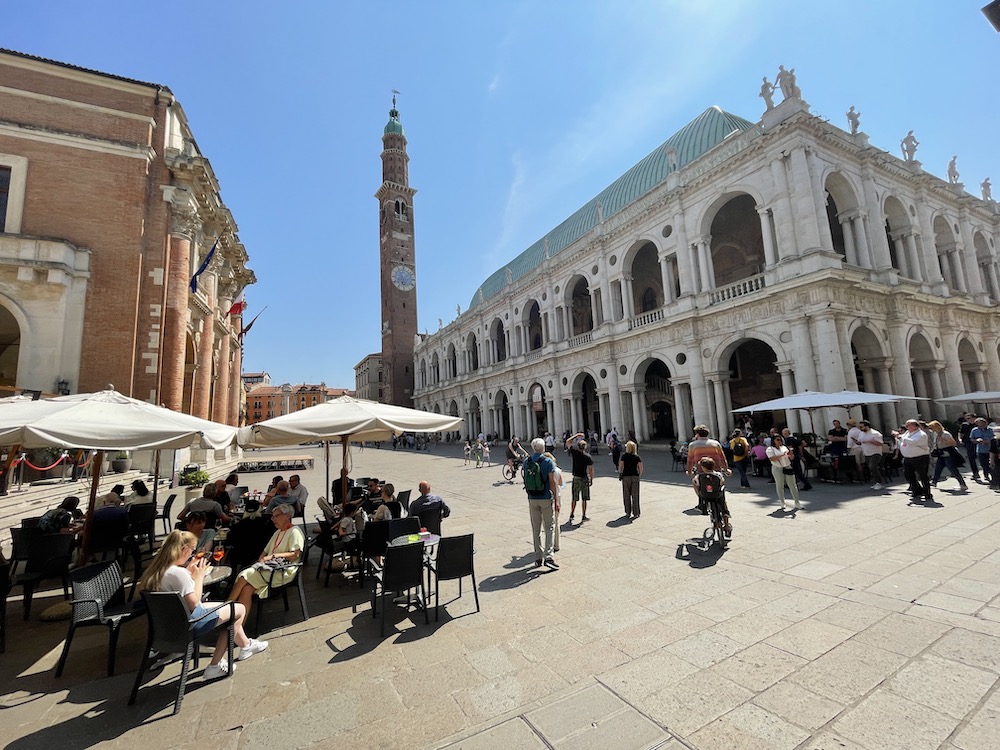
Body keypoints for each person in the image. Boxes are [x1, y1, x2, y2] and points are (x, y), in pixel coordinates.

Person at [138, 530, 266, 680]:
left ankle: (246, 645)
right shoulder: (178, 574)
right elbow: (195, 604)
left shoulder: (155, 572)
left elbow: (177, 594)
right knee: (238, 609)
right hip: (190, 625)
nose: (192, 554)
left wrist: (187, 572)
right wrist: (198, 577)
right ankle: (215, 665)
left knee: (227, 606)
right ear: (184, 549)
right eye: (192, 550)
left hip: (167, 628)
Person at [227, 504, 304, 622]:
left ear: (287, 516)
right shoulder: (278, 532)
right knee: (246, 589)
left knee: (244, 575)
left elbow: (295, 555)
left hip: (282, 571)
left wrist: (273, 556)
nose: (273, 520)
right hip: (269, 569)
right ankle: (237, 627)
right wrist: (261, 561)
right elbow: (264, 552)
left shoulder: (294, 531)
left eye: (276, 516)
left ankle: (226, 608)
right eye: (272, 517)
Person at [524, 438, 559, 569]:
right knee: (549, 526)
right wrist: (556, 499)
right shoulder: (548, 461)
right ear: (543, 448)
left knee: (536, 528)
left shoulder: (526, 461)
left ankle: (538, 556)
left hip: (532, 497)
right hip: (545, 497)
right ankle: (548, 556)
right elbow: (552, 483)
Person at [686, 425, 729, 510]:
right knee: (720, 485)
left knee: (696, 483)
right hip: (716, 470)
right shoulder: (715, 443)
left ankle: (702, 500)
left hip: (701, 471)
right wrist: (726, 469)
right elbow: (722, 458)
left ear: (697, 434)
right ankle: (724, 507)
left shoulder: (693, 445)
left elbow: (690, 461)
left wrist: (689, 471)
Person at [693, 456, 732, 537]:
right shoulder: (718, 475)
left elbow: (695, 483)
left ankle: (701, 503)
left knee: (698, 487)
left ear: (703, 467)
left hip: (705, 495)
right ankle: (727, 525)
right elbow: (722, 483)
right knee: (723, 506)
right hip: (717, 495)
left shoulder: (699, 476)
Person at [896, 419, 932, 502]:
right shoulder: (907, 433)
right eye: (906, 425)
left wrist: (901, 437)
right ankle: (917, 490)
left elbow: (914, 442)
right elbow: (902, 440)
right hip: (908, 457)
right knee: (908, 474)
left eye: (909, 425)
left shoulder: (921, 434)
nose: (907, 427)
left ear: (915, 426)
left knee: (923, 476)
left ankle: (927, 493)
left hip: (920, 457)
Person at [927, 420, 967, 491]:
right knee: (938, 468)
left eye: (932, 428)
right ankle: (934, 482)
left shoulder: (945, 434)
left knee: (953, 469)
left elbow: (953, 443)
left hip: (947, 453)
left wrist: (943, 440)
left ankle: (963, 484)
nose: (931, 430)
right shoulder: (936, 434)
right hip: (941, 453)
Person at [766, 435, 801, 511]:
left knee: (792, 485)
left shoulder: (784, 448)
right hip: (777, 468)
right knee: (780, 485)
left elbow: (791, 457)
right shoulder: (770, 449)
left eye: (780, 440)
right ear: (773, 441)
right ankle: (782, 502)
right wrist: (782, 454)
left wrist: (791, 454)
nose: (779, 441)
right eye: (777, 440)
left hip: (787, 466)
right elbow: (771, 458)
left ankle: (797, 502)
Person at [565, 432, 594, 523]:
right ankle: (584, 515)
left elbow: (568, 442)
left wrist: (576, 435)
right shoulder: (588, 457)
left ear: (578, 446)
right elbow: (591, 470)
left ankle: (572, 513)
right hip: (584, 478)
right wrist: (591, 479)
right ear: (585, 447)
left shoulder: (574, 452)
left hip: (576, 477)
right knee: (584, 498)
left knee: (574, 497)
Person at [542, 452, 564, 552]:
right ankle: (556, 544)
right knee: (556, 521)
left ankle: (548, 544)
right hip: (558, 497)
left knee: (547, 523)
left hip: (546, 496)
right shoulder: (558, 470)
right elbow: (560, 483)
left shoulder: (543, 470)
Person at [857, 420, 887, 491]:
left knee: (873, 467)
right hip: (866, 453)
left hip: (875, 453)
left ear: (866, 426)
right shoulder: (861, 434)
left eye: (861, 427)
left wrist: (870, 441)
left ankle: (879, 482)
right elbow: (860, 442)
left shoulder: (875, 433)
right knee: (871, 468)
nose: (860, 428)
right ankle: (876, 482)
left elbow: (880, 443)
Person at [618, 440, 643, 519]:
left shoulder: (624, 456)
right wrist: (639, 474)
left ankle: (628, 512)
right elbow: (641, 467)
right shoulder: (637, 457)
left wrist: (620, 473)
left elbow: (620, 466)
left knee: (626, 495)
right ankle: (636, 512)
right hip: (635, 476)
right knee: (635, 495)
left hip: (626, 476)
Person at [970, 417, 993, 484]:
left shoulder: (990, 430)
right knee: (983, 464)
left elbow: (994, 438)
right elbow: (971, 439)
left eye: (982, 424)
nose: (981, 426)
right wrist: (977, 440)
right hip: (980, 450)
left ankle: (993, 475)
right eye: (979, 424)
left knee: (991, 464)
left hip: (990, 450)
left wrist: (988, 441)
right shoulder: (974, 430)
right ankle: (986, 475)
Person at [959, 413, 980, 481]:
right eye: (966, 418)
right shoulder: (964, 425)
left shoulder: (978, 424)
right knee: (971, 458)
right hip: (968, 443)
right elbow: (960, 433)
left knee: (982, 458)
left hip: (978, 442)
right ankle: (975, 473)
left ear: (974, 418)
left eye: (969, 418)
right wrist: (960, 439)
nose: (967, 420)